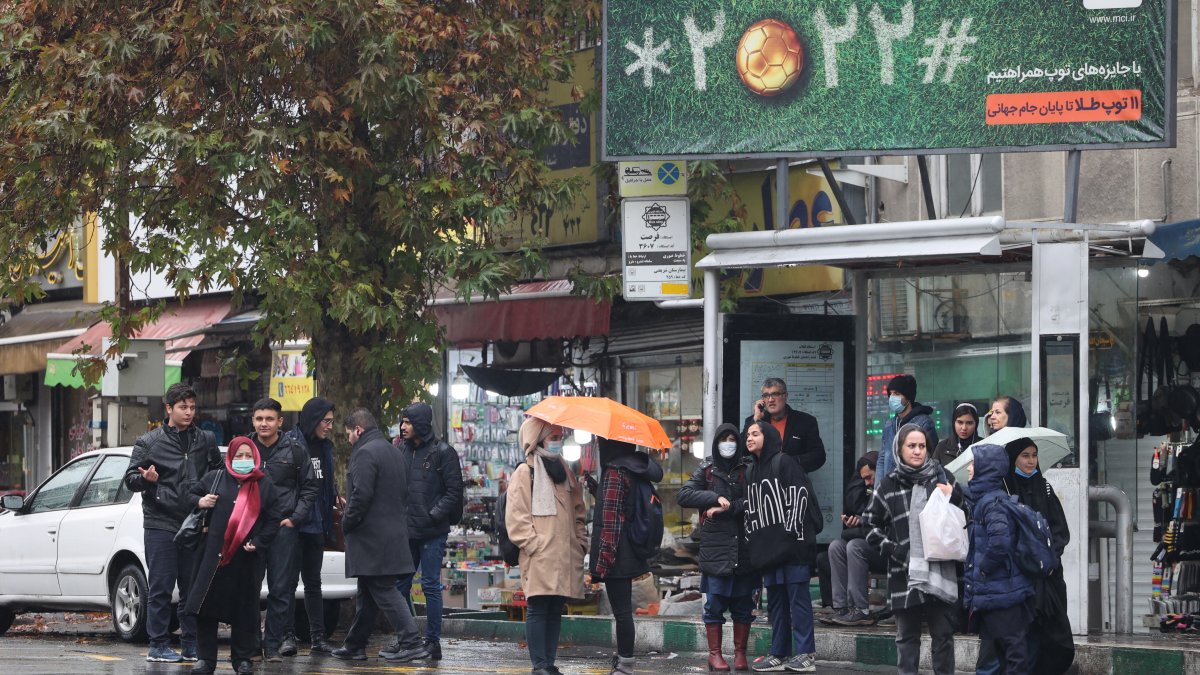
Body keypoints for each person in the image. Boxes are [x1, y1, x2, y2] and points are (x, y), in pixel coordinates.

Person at [124, 382, 221, 663]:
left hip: (194, 522)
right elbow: (130, 480)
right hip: (160, 524)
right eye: (183, 407)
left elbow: (217, 474)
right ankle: (158, 645)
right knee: (161, 587)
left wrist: (208, 499)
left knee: (192, 589)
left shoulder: (205, 440)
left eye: (192, 407)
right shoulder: (149, 442)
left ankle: (191, 645)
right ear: (169, 408)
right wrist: (146, 479)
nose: (189, 412)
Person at [864, 423, 965, 675]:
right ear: (899, 449)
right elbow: (869, 526)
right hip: (904, 572)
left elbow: (965, 517)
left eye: (922, 446)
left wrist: (953, 495)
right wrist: (895, 550)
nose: (918, 451)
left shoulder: (943, 477)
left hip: (941, 571)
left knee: (943, 637)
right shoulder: (888, 484)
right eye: (911, 446)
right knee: (907, 639)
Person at [333, 408, 429, 663]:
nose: (349, 440)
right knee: (368, 591)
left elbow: (360, 497)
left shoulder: (364, 453)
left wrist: (346, 522)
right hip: (390, 534)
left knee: (383, 590)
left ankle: (411, 641)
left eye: (349, 435)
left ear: (358, 430)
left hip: (370, 537)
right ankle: (355, 644)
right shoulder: (392, 451)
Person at [186, 437, 285, 675]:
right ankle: (205, 659)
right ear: (229, 458)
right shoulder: (215, 478)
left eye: (247, 456)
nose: (243, 461)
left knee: (243, 610)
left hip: (245, 559)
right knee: (205, 609)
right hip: (212, 558)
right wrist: (201, 501)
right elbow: (188, 497)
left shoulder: (264, 485)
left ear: (255, 458)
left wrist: (259, 542)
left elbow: (274, 519)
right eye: (238, 456)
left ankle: (242, 659)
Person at [505, 418, 588, 675]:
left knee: (555, 610)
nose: (558, 441)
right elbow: (516, 517)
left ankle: (549, 663)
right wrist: (534, 545)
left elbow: (578, 511)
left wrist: (581, 542)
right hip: (540, 553)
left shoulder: (565, 471)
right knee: (539, 608)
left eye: (560, 436)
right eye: (553, 436)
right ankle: (539, 665)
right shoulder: (525, 472)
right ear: (538, 438)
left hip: (564, 553)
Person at [677, 423, 758, 672]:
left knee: (744, 605)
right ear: (716, 442)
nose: (729, 443)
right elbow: (684, 495)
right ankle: (715, 655)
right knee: (714, 605)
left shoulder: (748, 468)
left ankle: (741, 654)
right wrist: (712, 497)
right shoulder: (708, 469)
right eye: (724, 439)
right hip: (716, 548)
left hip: (744, 547)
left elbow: (755, 498)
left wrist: (729, 507)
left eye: (733, 438)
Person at [743, 421, 822, 673]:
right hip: (769, 549)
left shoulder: (784, 461)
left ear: (769, 436)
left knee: (798, 599)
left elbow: (800, 496)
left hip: (793, 546)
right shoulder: (750, 471)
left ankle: (805, 654)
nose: (749, 438)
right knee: (775, 602)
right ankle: (779, 653)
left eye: (755, 433)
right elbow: (751, 508)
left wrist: (789, 533)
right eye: (748, 435)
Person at [394, 402, 464, 660]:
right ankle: (406, 640)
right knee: (400, 585)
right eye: (402, 422)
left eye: (408, 423)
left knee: (430, 585)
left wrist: (431, 514)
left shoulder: (443, 452)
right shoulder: (401, 450)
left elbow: (454, 492)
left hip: (432, 531)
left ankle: (432, 642)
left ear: (421, 424)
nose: (403, 427)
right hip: (406, 530)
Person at [588, 438, 664, 675]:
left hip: (617, 555)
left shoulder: (614, 472)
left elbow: (611, 524)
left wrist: (601, 565)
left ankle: (625, 665)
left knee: (621, 613)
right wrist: (596, 489)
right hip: (632, 551)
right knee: (624, 612)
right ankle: (624, 661)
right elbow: (625, 505)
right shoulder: (635, 466)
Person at [252, 398, 320, 661]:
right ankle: (250, 646)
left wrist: (295, 518)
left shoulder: (295, 449)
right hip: (252, 529)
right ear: (253, 420)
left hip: (283, 529)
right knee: (249, 589)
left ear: (280, 422)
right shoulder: (246, 449)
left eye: (269, 419)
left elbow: (310, 487)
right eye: (259, 418)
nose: (264, 424)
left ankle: (272, 647)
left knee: (280, 590)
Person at [965, 443, 1036, 675]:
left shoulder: (991, 503)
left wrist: (983, 569)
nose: (969, 468)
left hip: (1002, 590)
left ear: (987, 468)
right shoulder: (986, 499)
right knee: (1002, 652)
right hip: (998, 589)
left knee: (1012, 651)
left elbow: (1000, 542)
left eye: (974, 464)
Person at [1003, 439, 1074, 673]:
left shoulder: (1044, 487)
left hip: (1049, 575)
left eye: (1034, 455)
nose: (1031, 461)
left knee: (1055, 634)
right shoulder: (1006, 490)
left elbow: (1060, 529)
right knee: (1025, 636)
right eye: (1025, 455)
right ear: (1013, 458)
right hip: (1021, 576)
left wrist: (1050, 558)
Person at [282, 396, 340, 654]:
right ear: (314, 419)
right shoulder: (291, 443)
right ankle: (288, 636)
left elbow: (325, 482)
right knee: (288, 583)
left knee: (314, 583)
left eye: (331, 421)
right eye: (325, 421)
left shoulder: (325, 447)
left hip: (317, 524)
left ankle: (318, 639)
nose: (329, 426)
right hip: (294, 524)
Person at [821, 451, 885, 627]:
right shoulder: (869, 490)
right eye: (863, 479)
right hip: (868, 541)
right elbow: (864, 515)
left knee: (854, 546)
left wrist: (862, 523)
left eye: (869, 477)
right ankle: (842, 608)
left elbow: (879, 524)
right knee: (836, 546)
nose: (867, 483)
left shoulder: (887, 488)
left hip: (885, 548)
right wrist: (857, 521)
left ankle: (860, 610)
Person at [742, 377, 826, 473]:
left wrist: (789, 462)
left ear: (785, 396)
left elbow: (818, 456)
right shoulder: (754, 421)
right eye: (766, 395)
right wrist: (756, 420)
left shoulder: (805, 421)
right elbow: (742, 450)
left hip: (793, 481)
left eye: (775, 394)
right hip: (762, 482)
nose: (770, 399)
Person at [875, 374, 939, 480]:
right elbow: (882, 458)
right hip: (888, 488)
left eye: (897, 393)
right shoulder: (889, 425)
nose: (892, 398)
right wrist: (878, 489)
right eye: (890, 394)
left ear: (908, 397)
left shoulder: (924, 423)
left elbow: (929, 459)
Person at [932, 403, 980, 467]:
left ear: (976, 424)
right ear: (953, 422)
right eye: (960, 422)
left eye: (969, 423)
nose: (964, 428)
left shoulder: (984, 446)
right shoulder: (942, 447)